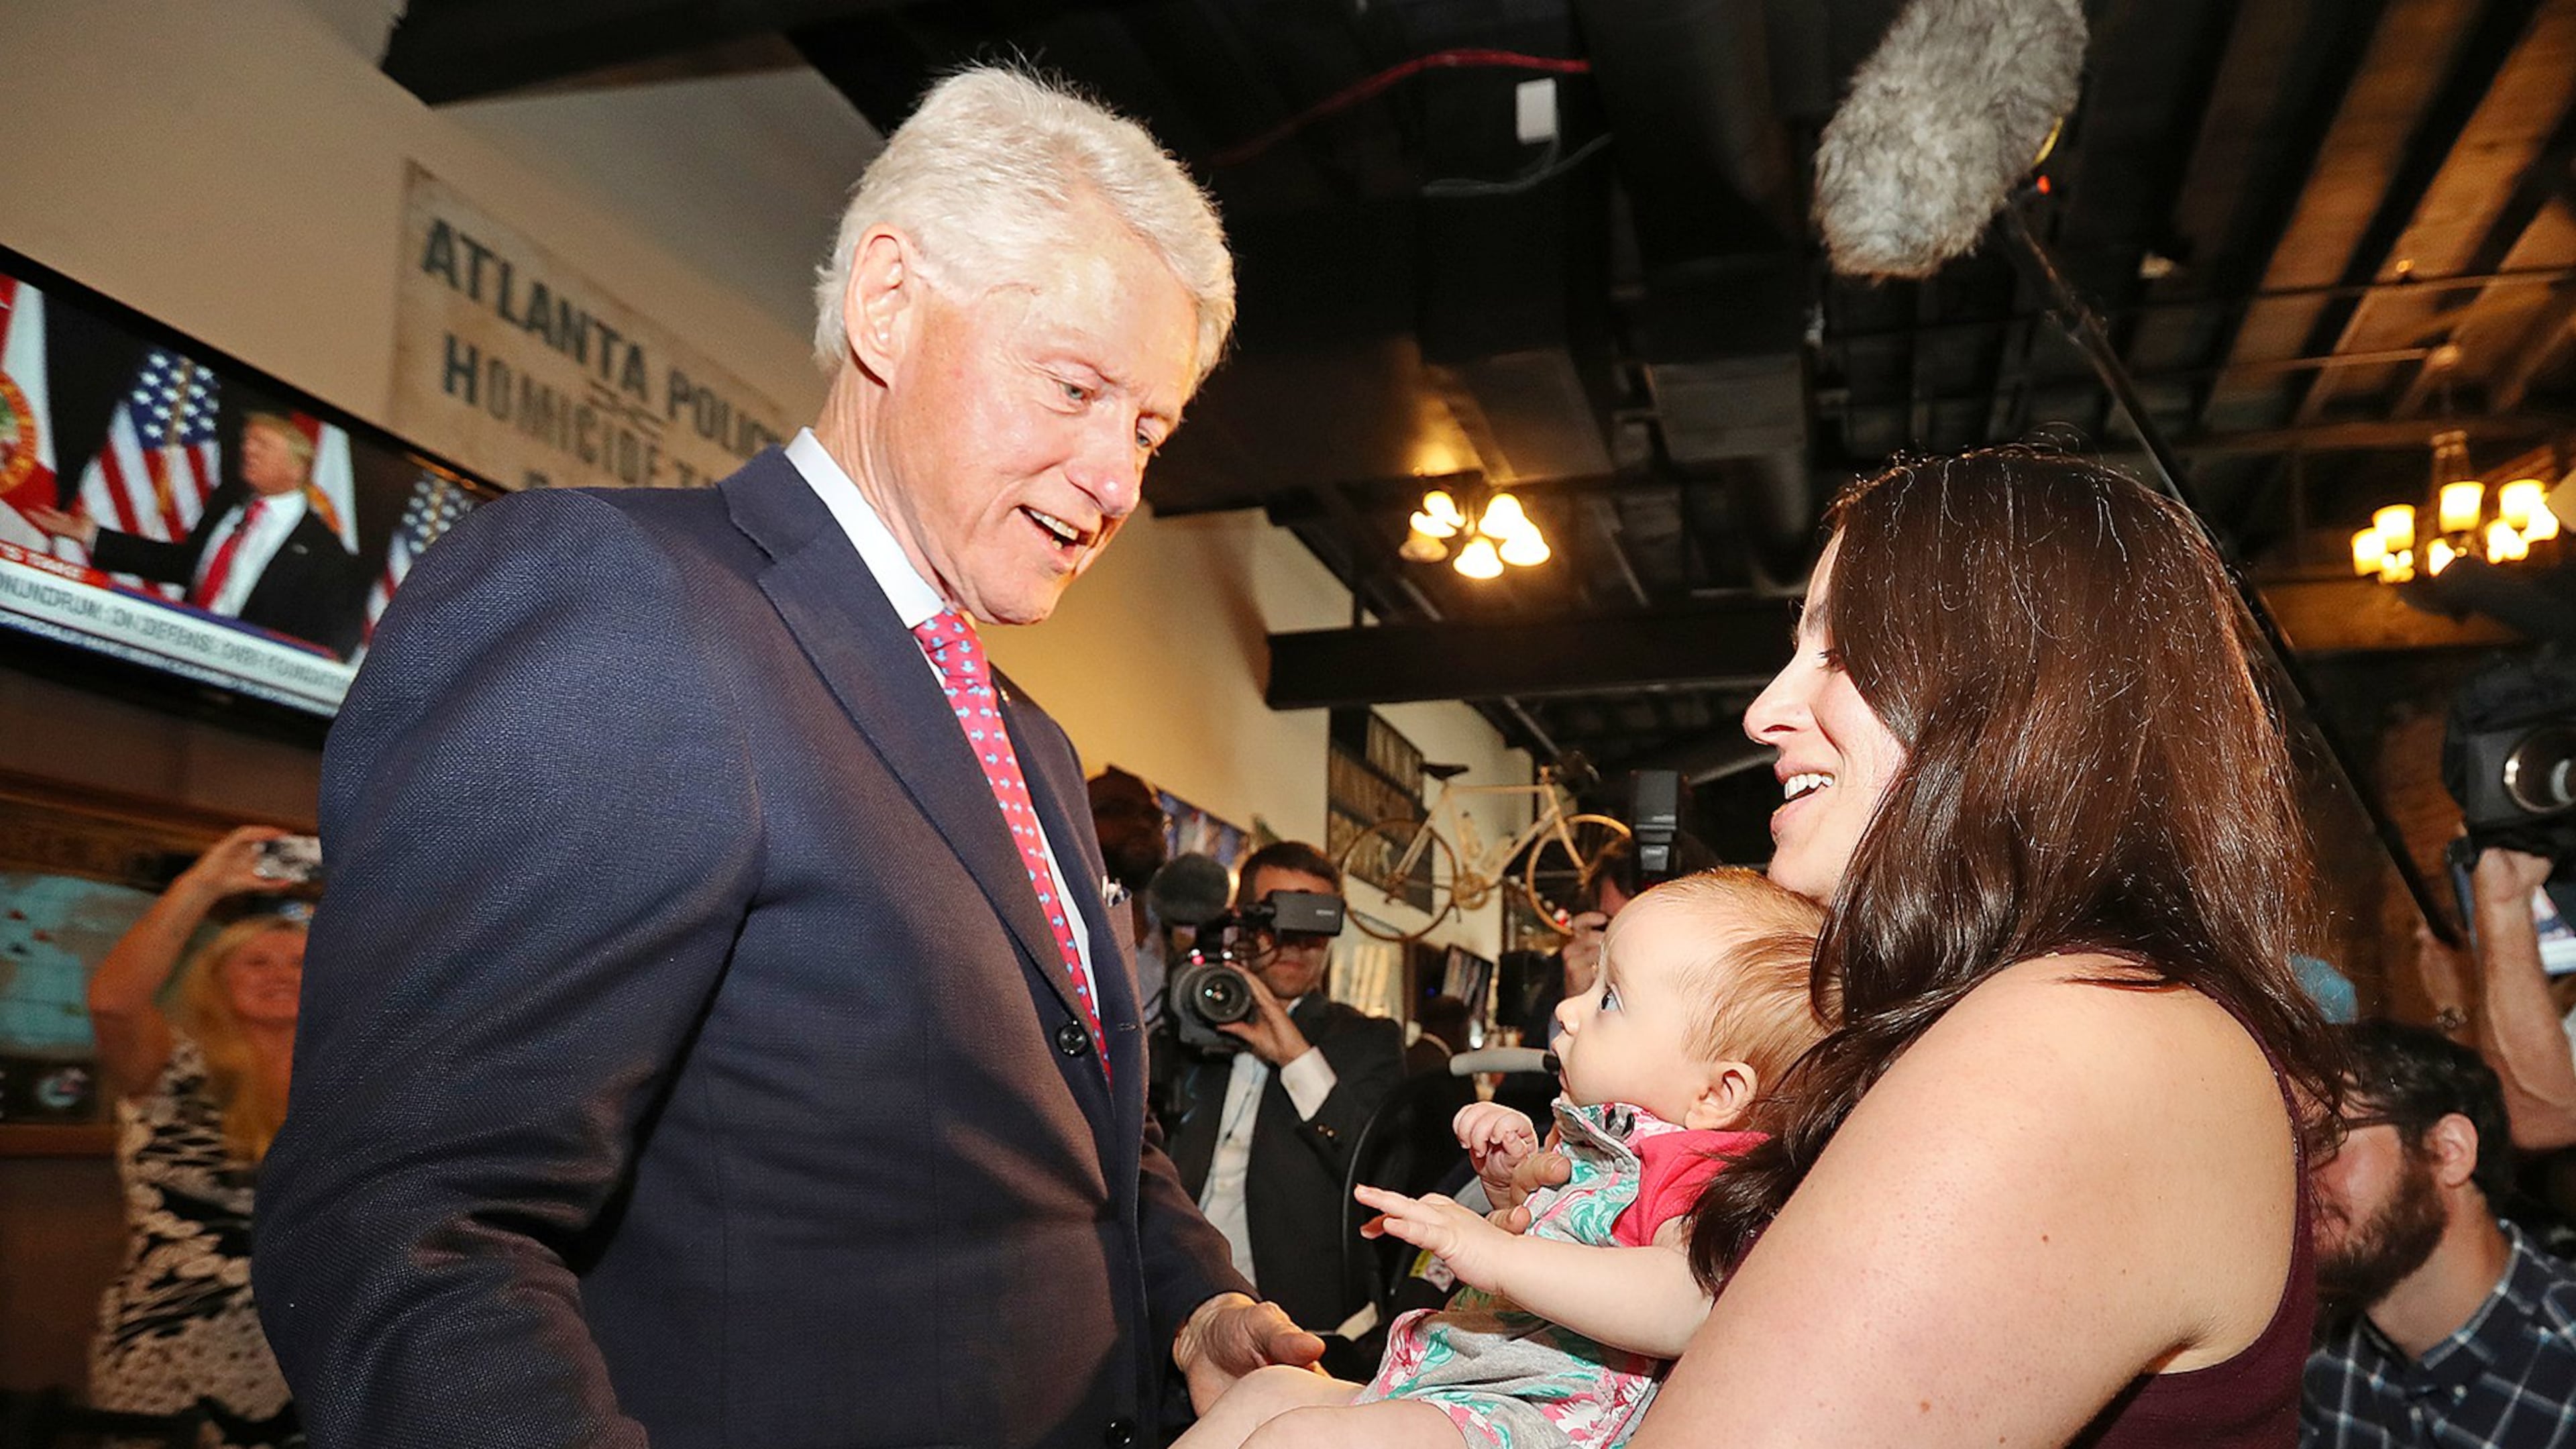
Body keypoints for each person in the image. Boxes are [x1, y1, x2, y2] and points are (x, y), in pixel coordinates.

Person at [253, 68, 1314, 1449]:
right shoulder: (626, 606)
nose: (1118, 478)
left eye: (1149, 427)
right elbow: (404, 1226)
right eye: (1075, 388)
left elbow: (1081, 1131)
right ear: (887, 305)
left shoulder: (1031, 745)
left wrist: (1187, 1304)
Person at [1606, 447, 2343, 1446]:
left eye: (1840, 649)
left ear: (2010, 687)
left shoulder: (2083, 1035)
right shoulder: (2090, 1015)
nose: (1763, 712)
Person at [1174, 869, 1831, 1449]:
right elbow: (1566, 1230)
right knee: (1264, 1393)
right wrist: (1508, 1186)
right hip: (1459, 1382)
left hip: (1536, 1414)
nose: (1569, 1010)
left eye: (1609, 999)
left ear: (1718, 1092)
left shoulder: (1701, 1168)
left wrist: (1497, 1257)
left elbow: (1684, 1303)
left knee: (1301, 1436)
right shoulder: (1593, 1136)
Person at [85, 824, 307, 1448]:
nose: (279, 973)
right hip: (179, 1349)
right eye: (256, 961)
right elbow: (114, 1005)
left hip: (315, 1345)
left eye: (298, 961)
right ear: (217, 978)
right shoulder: (175, 1068)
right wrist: (204, 884)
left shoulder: (348, 1089)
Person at [1164, 841, 1409, 1334]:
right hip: (1177, 1304)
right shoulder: (1186, 1029)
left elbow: (1380, 1172)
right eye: (1278, 918)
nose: (1297, 941)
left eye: (1315, 924)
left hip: (1302, 1320)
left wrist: (1295, 1056)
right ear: (1246, 922)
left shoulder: (1367, 1040)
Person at [2304, 1018, 2576, 1448]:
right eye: (2290, 1152)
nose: (2297, 1182)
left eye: (2325, 1140)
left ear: (2449, 1151)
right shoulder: (2316, 1360)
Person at [28, 411, 368, 657]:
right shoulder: (228, 504)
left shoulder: (328, 554)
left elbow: (329, 643)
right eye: (248, 440)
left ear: (298, 468)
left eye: (263, 443)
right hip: (183, 657)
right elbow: (185, 564)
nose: (248, 449)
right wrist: (92, 534)